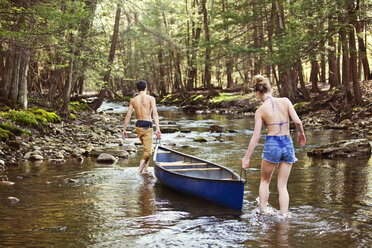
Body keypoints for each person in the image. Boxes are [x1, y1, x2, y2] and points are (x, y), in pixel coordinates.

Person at [241, 75, 306, 218]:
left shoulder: (260, 110)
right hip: (288, 143)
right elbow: (298, 122)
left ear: (258, 93)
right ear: (270, 89)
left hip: (272, 143)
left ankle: (263, 212)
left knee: (265, 181)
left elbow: (256, 136)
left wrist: (246, 158)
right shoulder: (285, 101)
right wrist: (301, 134)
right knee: (282, 186)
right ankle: (284, 216)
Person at [122, 80, 161, 173]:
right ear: (146, 88)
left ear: (137, 89)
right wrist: (158, 129)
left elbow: (128, 115)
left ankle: (146, 170)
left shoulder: (133, 100)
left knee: (148, 149)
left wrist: (124, 129)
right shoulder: (151, 99)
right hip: (147, 126)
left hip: (138, 126)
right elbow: (155, 114)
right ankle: (139, 171)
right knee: (148, 152)